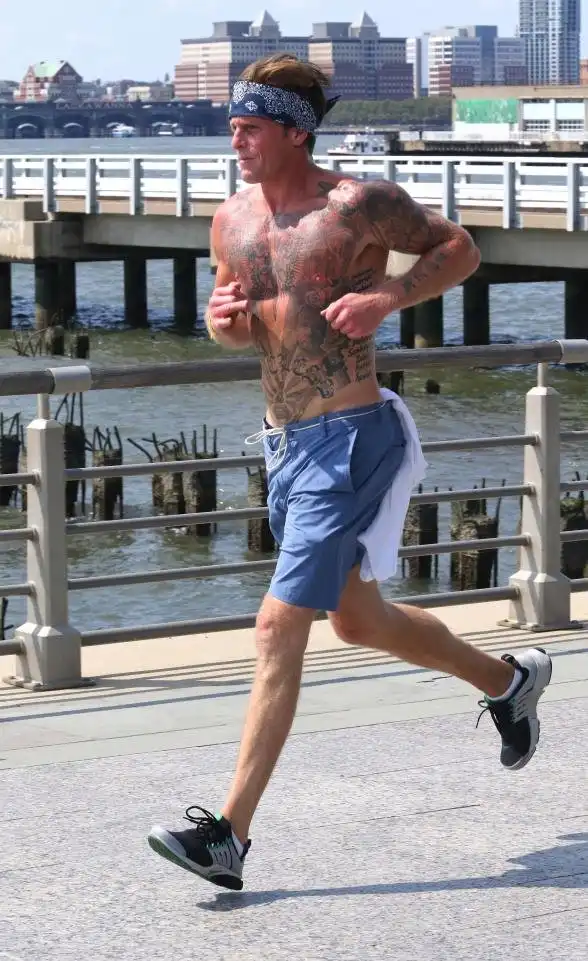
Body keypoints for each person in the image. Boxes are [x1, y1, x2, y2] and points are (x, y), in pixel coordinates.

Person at [148, 54, 552, 891]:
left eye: (250, 128)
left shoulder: (356, 205)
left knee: (276, 627)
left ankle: (229, 834)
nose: (235, 140)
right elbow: (240, 328)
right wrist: (221, 320)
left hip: (353, 438)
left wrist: (388, 299)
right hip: (285, 447)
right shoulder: (231, 221)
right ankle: (509, 681)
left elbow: (460, 249)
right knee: (358, 620)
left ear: (294, 132)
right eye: (233, 126)